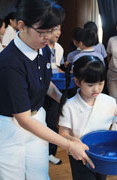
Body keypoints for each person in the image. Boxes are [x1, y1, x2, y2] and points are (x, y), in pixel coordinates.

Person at [0, 1, 94, 180]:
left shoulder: (41, 49)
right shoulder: (9, 64)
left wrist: (64, 101)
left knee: (40, 175)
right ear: (22, 26)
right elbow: (24, 120)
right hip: (9, 127)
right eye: (43, 32)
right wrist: (68, 144)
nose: (49, 37)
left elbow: (44, 83)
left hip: (35, 119)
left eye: (53, 30)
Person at [58, 55, 117, 180]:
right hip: (80, 154)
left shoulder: (108, 101)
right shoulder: (70, 106)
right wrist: (72, 140)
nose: (97, 89)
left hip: (102, 153)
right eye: (90, 84)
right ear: (77, 82)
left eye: (100, 83)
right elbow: (62, 133)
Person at [44, 24, 64, 165]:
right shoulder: (40, 47)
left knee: (52, 122)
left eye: (59, 29)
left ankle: (51, 152)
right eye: (55, 29)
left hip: (54, 88)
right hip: (40, 90)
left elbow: (55, 66)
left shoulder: (59, 48)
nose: (58, 32)